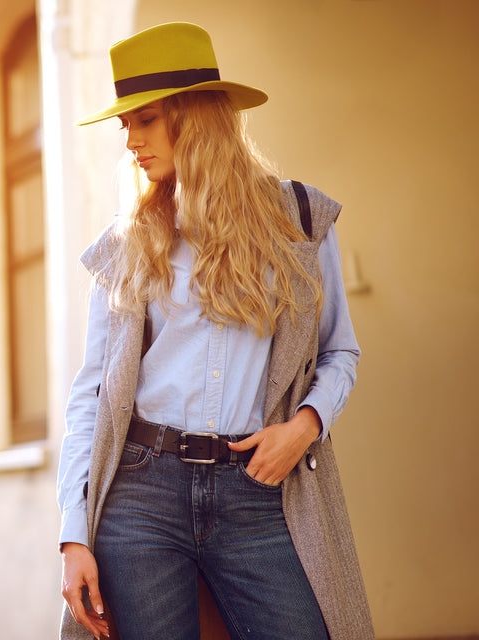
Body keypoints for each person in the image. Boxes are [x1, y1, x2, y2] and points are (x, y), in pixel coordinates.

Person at [57, 22, 375, 640]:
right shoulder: (127, 245)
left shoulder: (301, 222)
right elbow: (91, 396)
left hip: (259, 492)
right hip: (140, 495)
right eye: (125, 125)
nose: (131, 142)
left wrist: (303, 427)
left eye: (144, 120)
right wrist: (73, 533)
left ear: (194, 116)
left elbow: (340, 352)